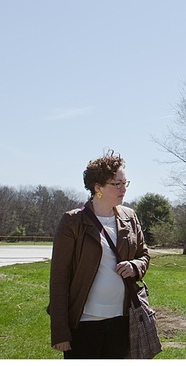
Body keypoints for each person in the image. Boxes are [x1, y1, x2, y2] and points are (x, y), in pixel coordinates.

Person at [48, 152, 150, 358]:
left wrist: (135, 267)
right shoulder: (72, 222)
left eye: (125, 182)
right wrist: (60, 331)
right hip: (84, 323)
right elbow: (59, 278)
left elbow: (144, 255)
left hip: (122, 320)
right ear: (98, 187)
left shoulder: (130, 217)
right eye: (117, 184)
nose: (124, 188)